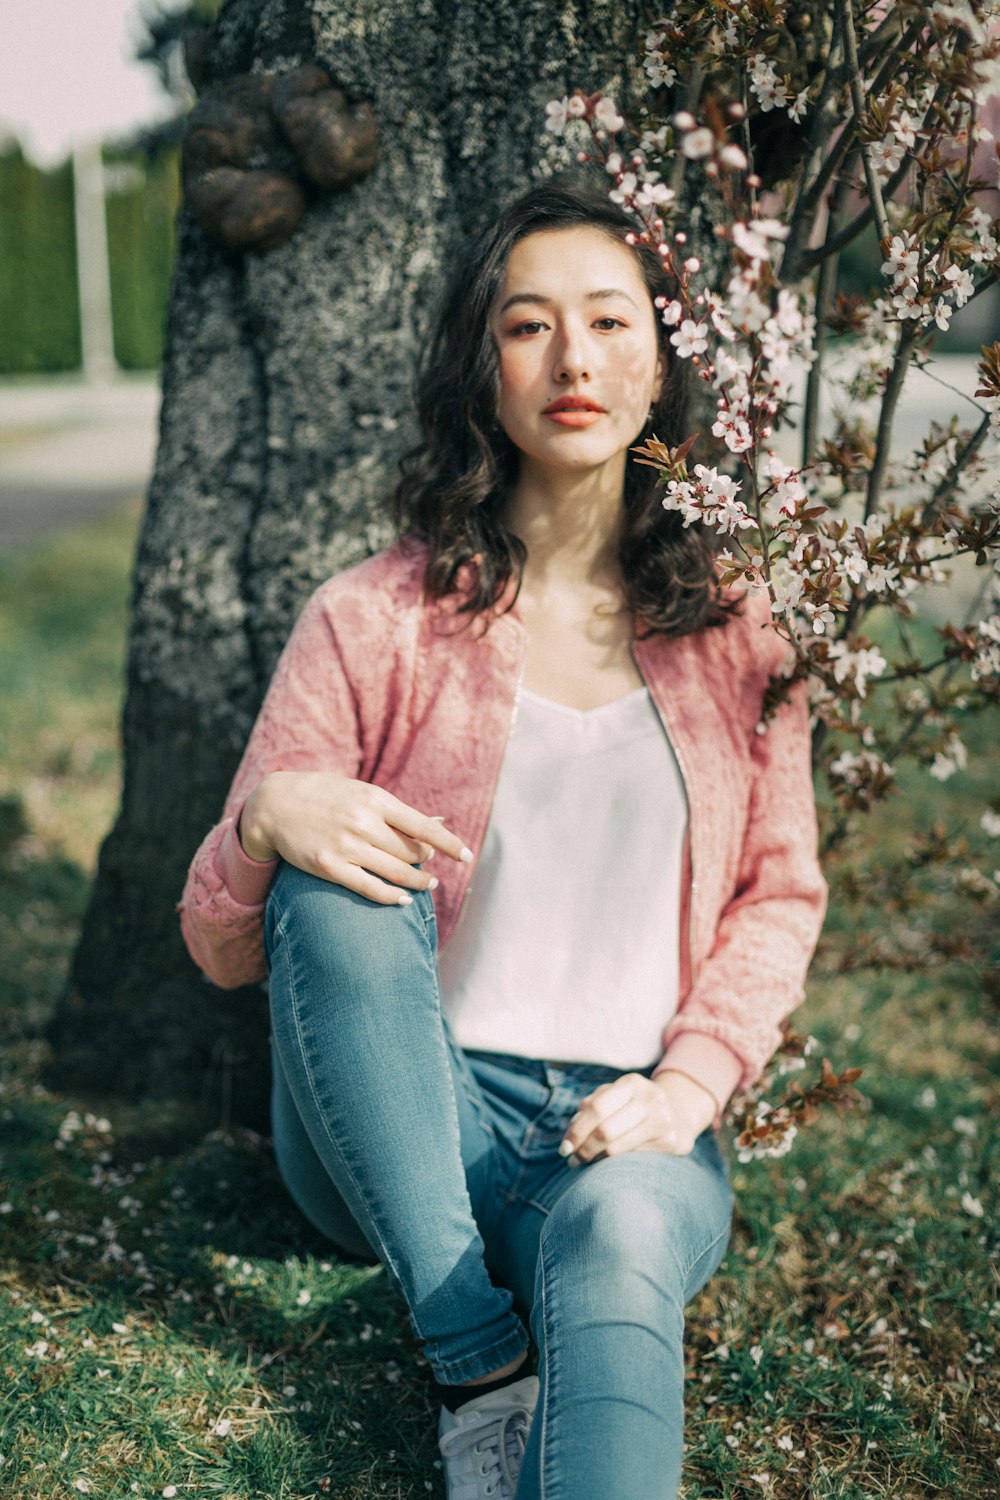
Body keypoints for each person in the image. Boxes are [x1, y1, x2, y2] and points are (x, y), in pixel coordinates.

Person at [179, 181, 827, 1500]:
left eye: (609, 321)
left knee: (620, 1256)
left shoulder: (744, 627)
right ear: (484, 366)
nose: (574, 360)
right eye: (530, 326)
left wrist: (688, 1090)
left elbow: (781, 892)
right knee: (338, 856)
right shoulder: (371, 619)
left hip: (624, 1127)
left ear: (664, 357)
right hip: (404, 1119)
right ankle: (470, 1352)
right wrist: (264, 820)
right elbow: (221, 939)